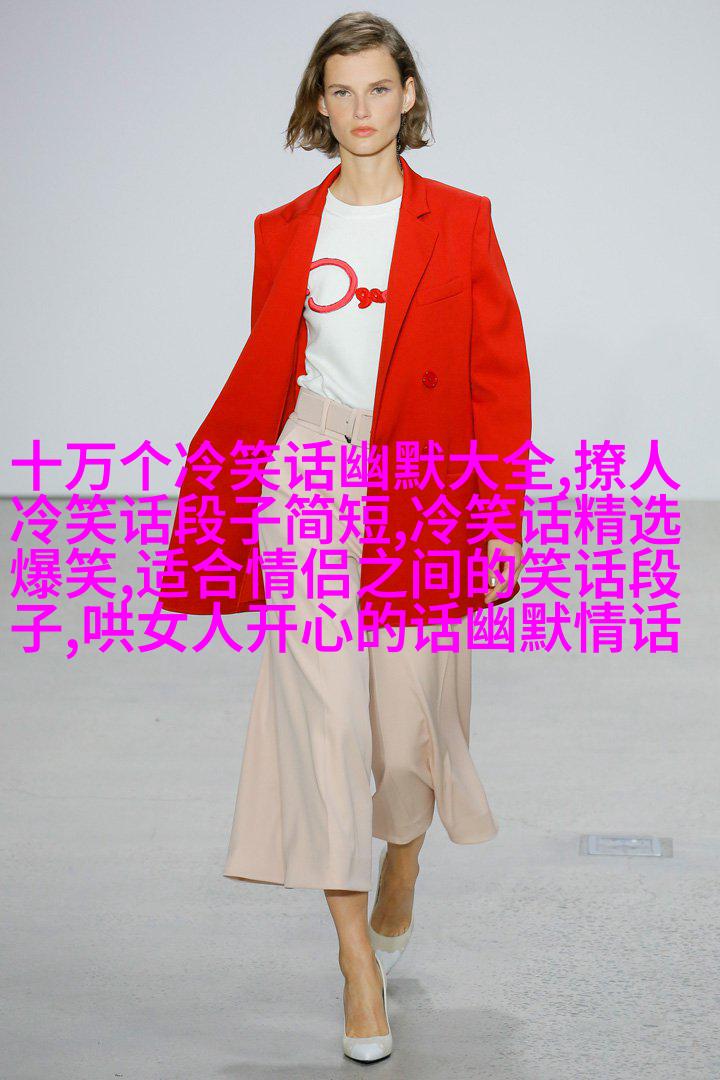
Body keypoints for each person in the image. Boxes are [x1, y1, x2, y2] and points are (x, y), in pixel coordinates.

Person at [159, 11, 531, 1065]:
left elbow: (499, 376)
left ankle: (402, 868)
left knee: (406, 741)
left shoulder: (463, 220)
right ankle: (356, 965)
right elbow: (271, 367)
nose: (361, 109)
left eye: (378, 87)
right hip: (312, 473)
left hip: (423, 482)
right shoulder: (285, 229)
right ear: (318, 106)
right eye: (341, 91)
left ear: (408, 95)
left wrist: (499, 516)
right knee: (323, 721)